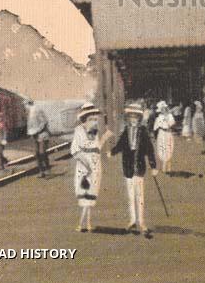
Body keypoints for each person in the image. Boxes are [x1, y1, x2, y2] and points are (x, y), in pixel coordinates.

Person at [110, 103, 158, 237]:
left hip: (139, 166)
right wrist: (112, 152)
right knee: (130, 195)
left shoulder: (143, 131)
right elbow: (120, 145)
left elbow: (149, 149)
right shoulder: (126, 130)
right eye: (131, 117)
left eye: (135, 117)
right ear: (128, 118)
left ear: (139, 118)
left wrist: (154, 166)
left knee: (140, 196)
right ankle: (132, 220)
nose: (133, 119)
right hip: (127, 167)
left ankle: (141, 222)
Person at [71, 102, 113, 232]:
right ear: (84, 119)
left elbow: (96, 148)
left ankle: (86, 223)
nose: (94, 121)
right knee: (84, 196)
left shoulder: (95, 132)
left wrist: (105, 138)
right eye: (91, 119)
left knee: (91, 195)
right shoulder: (78, 131)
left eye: (95, 119)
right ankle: (83, 223)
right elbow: (74, 150)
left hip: (95, 164)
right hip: (84, 166)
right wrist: (86, 163)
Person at [26, 100, 51, 178]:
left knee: (42, 152)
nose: (25, 107)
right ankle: (41, 172)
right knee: (37, 154)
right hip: (35, 135)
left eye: (25, 105)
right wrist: (30, 132)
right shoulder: (29, 113)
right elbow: (30, 125)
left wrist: (37, 131)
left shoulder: (38, 110)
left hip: (42, 134)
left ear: (29, 104)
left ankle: (47, 169)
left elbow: (44, 122)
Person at [153, 100, 176, 174]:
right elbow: (156, 127)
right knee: (162, 148)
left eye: (164, 108)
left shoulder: (170, 116)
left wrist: (167, 120)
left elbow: (172, 123)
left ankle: (168, 167)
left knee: (169, 148)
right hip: (162, 133)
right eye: (162, 109)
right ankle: (164, 166)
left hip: (168, 133)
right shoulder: (159, 117)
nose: (163, 110)